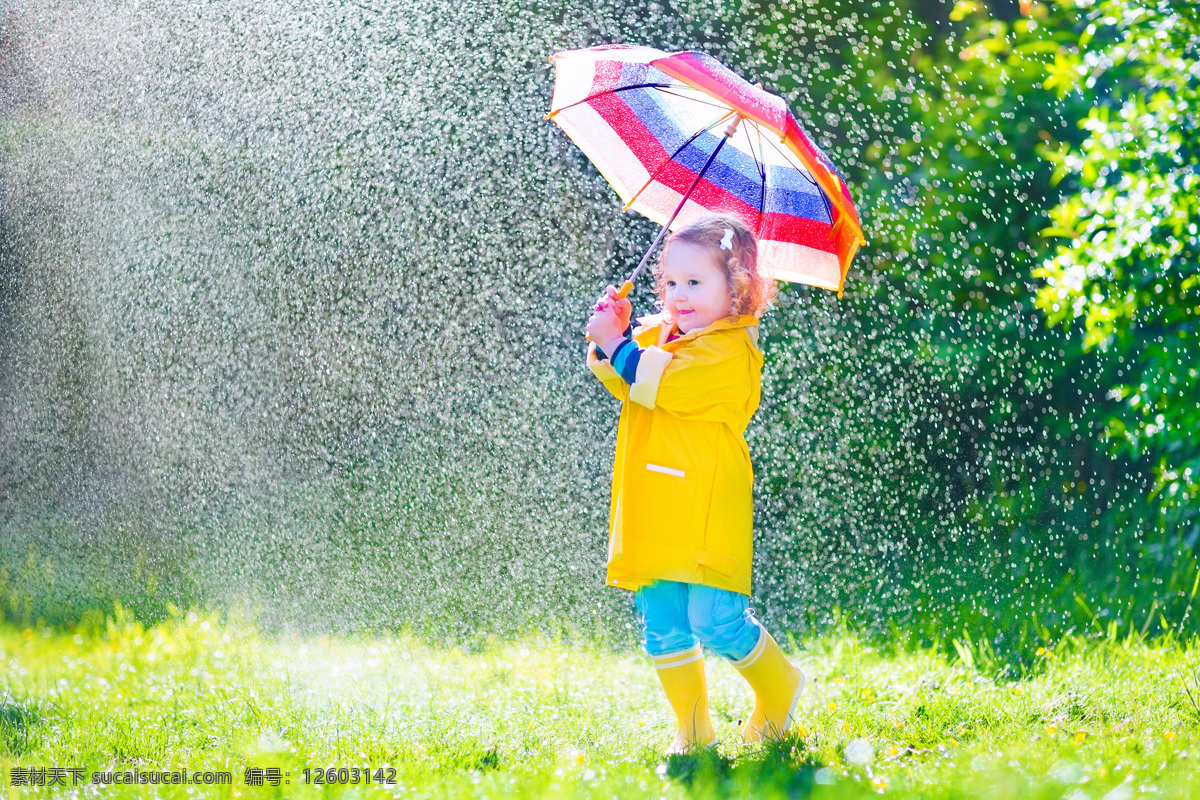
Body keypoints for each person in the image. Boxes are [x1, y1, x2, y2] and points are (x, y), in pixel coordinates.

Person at [584, 213, 803, 755]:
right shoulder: (664, 332)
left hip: (707, 499)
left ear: (739, 288)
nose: (679, 295)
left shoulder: (732, 350)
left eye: (696, 283)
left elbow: (659, 383)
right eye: (671, 282)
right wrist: (612, 332)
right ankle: (693, 727)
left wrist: (620, 345)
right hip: (655, 496)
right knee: (661, 619)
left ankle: (779, 686)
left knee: (715, 618)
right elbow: (617, 375)